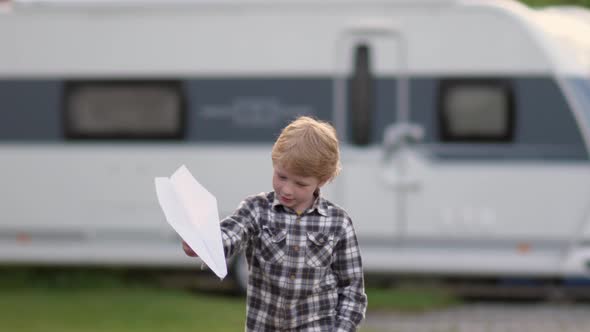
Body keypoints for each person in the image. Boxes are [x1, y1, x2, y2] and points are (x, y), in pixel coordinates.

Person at [182, 116, 367, 331]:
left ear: (322, 180)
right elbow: (232, 233)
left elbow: (352, 290)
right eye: (281, 176)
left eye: (300, 183)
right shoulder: (256, 209)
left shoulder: (339, 223)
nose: (287, 189)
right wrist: (203, 243)